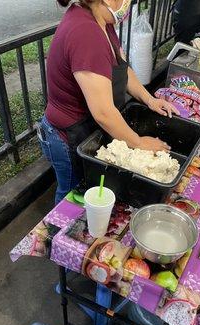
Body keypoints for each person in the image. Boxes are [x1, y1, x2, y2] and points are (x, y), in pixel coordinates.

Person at [39, 0, 178, 204]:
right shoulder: (86, 34)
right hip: (66, 136)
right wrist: (139, 143)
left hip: (85, 128)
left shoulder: (102, 22)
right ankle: (56, 232)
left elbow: (122, 67)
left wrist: (150, 99)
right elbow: (103, 112)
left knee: (87, 191)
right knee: (71, 195)